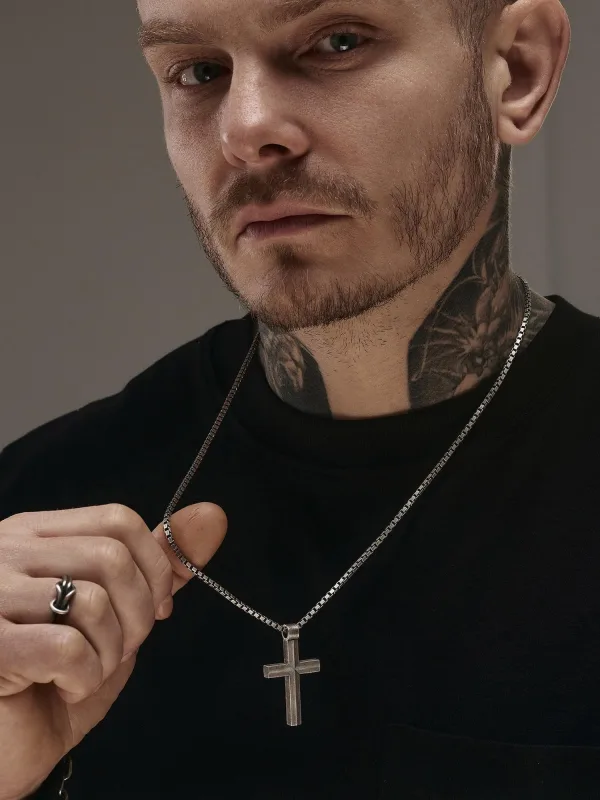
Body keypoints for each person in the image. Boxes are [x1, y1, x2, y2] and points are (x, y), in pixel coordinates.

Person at [2, 0, 598, 797]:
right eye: (198, 71)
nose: (246, 129)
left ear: (517, 69)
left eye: (338, 42)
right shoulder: (37, 520)